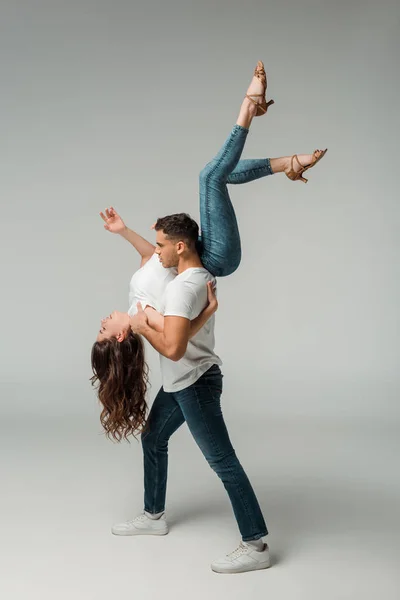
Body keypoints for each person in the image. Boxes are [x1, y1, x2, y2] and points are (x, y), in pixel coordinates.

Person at [91, 61, 327, 573]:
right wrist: (137, 316)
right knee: (155, 438)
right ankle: (155, 515)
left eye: (158, 243)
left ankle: (256, 546)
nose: (104, 323)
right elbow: (170, 333)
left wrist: (128, 251)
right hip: (188, 376)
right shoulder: (172, 285)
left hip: (193, 379)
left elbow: (169, 334)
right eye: (105, 329)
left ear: (175, 246)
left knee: (221, 461)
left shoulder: (175, 288)